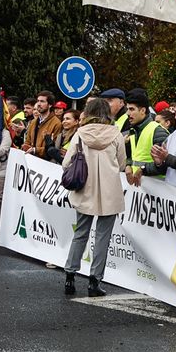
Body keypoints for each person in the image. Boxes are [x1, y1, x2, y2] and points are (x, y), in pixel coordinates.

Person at [60, 97, 126, 297]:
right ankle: (94, 281)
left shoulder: (80, 134)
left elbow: (66, 163)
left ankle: (70, 275)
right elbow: (122, 163)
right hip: (109, 191)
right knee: (102, 238)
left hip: (85, 189)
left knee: (80, 233)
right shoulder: (116, 134)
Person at [121, 89, 168, 186]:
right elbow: (133, 156)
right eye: (127, 109)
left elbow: (165, 164)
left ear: (143, 110)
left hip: (157, 190)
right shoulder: (134, 130)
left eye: (132, 109)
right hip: (140, 191)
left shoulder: (158, 131)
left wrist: (143, 169)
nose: (128, 114)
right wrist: (128, 165)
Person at [23, 92, 61, 156]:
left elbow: (54, 148)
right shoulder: (33, 122)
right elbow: (28, 141)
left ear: (50, 105)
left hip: (45, 162)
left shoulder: (57, 123)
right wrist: (25, 146)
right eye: (38, 101)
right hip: (31, 160)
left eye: (42, 101)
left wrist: (36, 150)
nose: (39, 104)